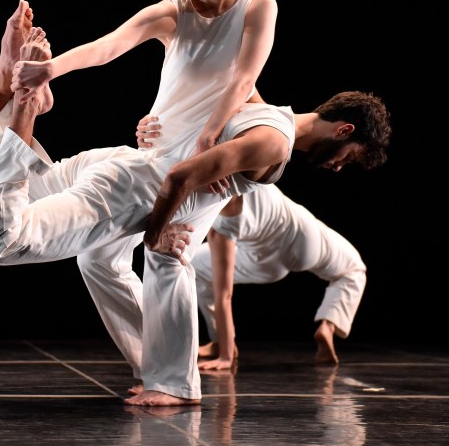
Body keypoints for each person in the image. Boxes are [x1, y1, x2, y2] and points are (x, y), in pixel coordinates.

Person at [0, 25, 392, 407]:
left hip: (123, 167)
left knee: (90, 254)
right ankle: (23, 104)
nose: (339, 167)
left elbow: (211, 90)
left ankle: (160, 374)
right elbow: (180, 176)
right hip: (129, 191)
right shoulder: (274, 142)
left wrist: (157, 127)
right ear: (344, 130)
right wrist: (155, 233)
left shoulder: (257, 102)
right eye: (349, 158)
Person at [10, 0, 279, 386]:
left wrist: (207, 139)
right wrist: (50, 69)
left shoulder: (259, 6)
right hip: (158, 152)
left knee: (166, 255)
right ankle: (151, 362)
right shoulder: (175, 9)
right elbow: (110, 45)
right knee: (97, 259)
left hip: (204, 165)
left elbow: (243, 80)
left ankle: (175, 383)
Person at [137, 115, 367, 368]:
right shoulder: (248, 165)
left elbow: (224, 294)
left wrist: (157, 128)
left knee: (197, 270)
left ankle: (223, 343)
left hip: (265, 263)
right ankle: (328, 326)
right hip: (302, 241)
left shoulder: (222, 216)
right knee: (353, 269)